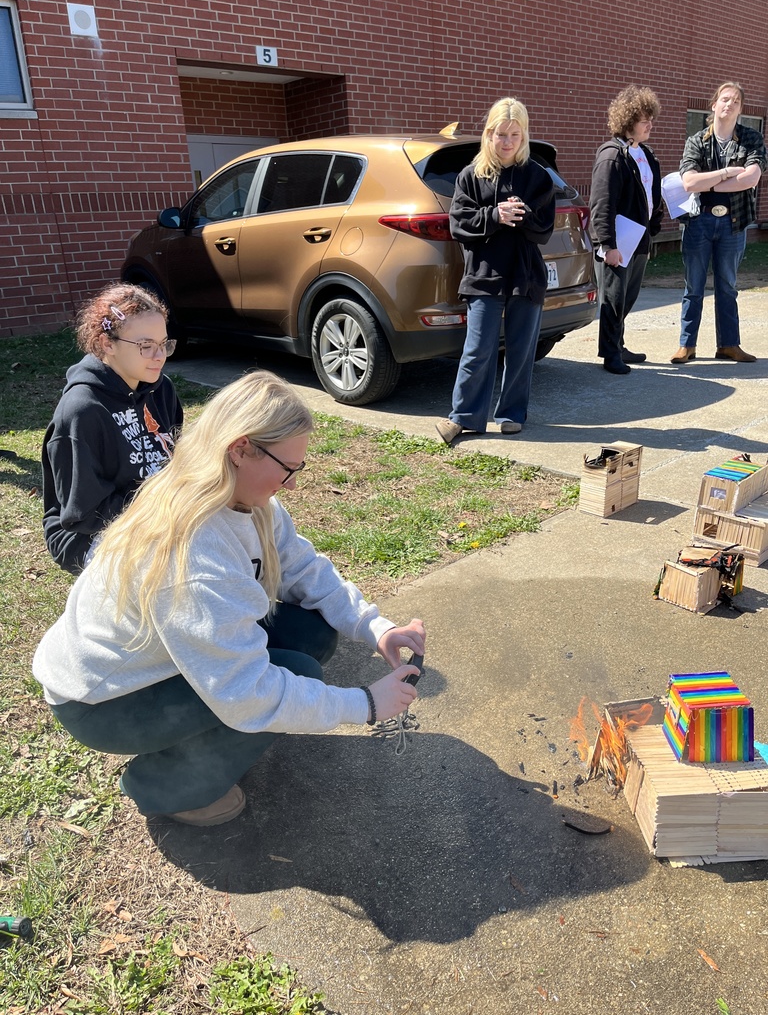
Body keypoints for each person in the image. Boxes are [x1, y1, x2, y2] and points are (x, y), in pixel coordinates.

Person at [32, 370, 426, 827]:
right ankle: (163, 786)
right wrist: (365, 705)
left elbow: (301, 567)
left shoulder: (241, 497)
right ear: (240, 448)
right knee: (292, 675)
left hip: (153, 659)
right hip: (101, 702)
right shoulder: (192, 556)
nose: (293, 484)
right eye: (288, 468)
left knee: (310, 632)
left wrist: (375, 627)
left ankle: (210, 741)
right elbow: (247, 695)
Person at [435, 97, 555, 445]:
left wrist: (521, 214)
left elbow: (543, 229)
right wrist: (494, 216)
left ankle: (511, 414)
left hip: (525, 277)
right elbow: (459, 224)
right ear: (488, 134)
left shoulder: (536, 176)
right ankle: (464, 417)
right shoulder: (471, 176)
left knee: (521, 351)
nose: (507, 142)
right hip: (484, 276)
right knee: (477, 350)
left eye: (515, 135)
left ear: (524, 136)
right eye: (500, 134)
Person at [42, 282, 183, 574]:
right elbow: (83, 512)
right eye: (145, 346)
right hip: (87, 534)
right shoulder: (82, 410)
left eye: (164, 344)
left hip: (158, 512)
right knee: (178, 567)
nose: (159, 356)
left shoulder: (161, 390)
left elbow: (177, 457)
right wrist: (163, 512)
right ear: (108, 344)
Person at [672, 81, 767, 364]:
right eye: (725, 99)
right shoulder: (696, 141)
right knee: (694, 287)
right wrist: (726, 173)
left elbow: (751, 178)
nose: (729, 104)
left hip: (733, 224)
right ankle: (686, 345)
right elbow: (688, 181)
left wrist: (708, 182)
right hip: (698, 222)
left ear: (740, 109)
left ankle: (729, 345)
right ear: (714, 105)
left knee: (727, 285)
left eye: (736, 101)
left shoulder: (751, 139)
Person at [590, 85, 663, 375]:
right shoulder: (612, 156)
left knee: (628, 297)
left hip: (639, 240)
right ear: (628, 120)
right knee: (613, 297)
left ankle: (618, 344)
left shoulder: (644, 154)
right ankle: (610, 354)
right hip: (618, 242)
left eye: (651, 119)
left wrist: (654, 226)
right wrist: (607, 244)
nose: (650, 124)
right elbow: (602, 203)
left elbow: (651, 195)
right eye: (645, 119)